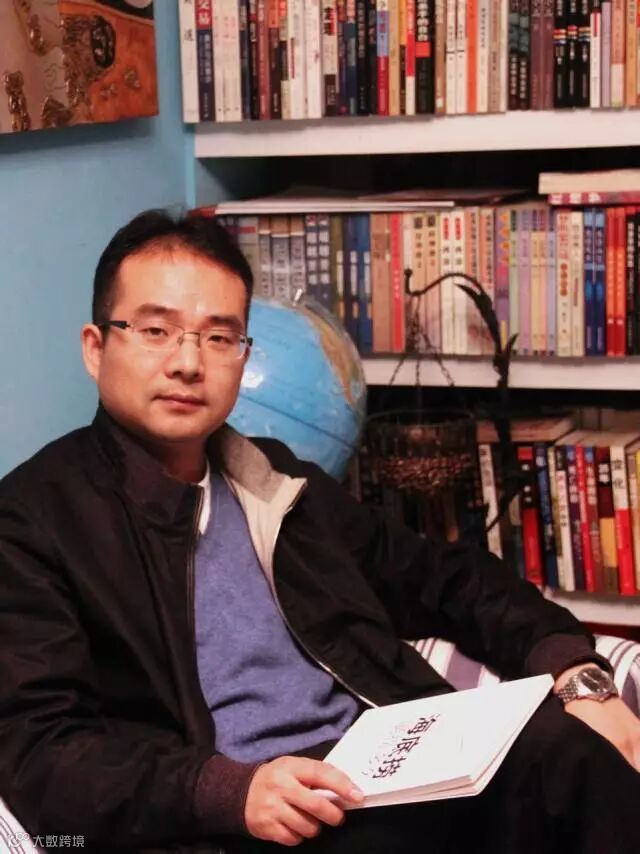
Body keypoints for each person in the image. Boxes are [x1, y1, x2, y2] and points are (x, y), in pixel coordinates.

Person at [0, 209, 638, 854]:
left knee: (570, 752)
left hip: (383, 773)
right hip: (234, 820)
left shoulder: (275, 478)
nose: (188, 362)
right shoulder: (32, 521)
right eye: (156, 330)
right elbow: (40, 752)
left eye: (219, 337)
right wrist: (227, 792)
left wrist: (571, 668)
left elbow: (444, 577)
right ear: (96, 347)